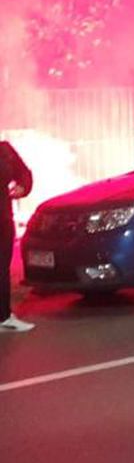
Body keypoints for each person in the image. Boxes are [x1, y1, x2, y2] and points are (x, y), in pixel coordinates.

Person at [0, 140, 34, 332]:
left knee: (1, 269)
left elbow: (24, 172)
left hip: (2, 219)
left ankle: (3, 317)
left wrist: (23, 186)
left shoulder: (4, 150)